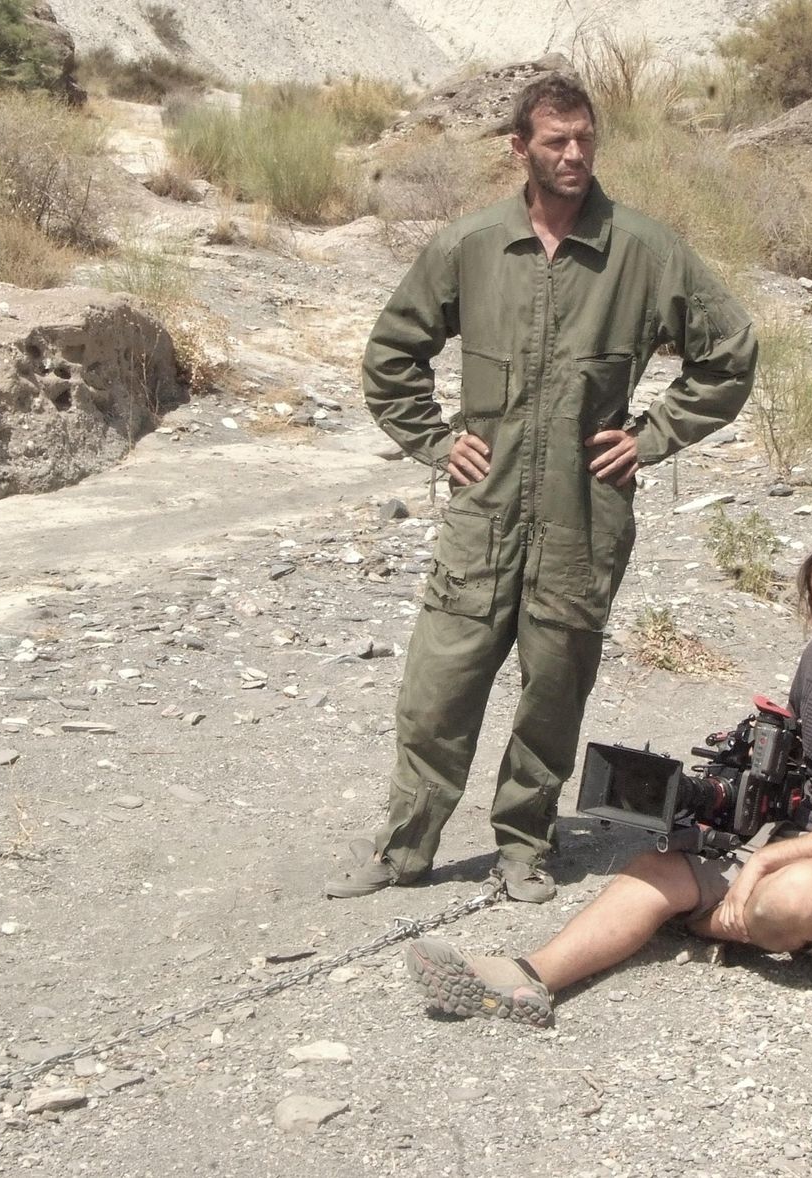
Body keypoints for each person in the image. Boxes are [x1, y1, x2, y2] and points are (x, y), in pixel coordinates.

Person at [324, 74, 758, 902]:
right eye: (556, 141)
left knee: (553, 694)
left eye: (585, 138)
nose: (574, 154)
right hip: (483, 514)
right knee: (437, 692)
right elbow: (392, 356)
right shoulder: (471, 245)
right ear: (519, 148)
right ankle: (405, 847)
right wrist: (435, 441)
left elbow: (729, 354)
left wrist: (651, 438)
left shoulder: (643, 251)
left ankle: (524, 845)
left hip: (582, 517)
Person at [401, 537, 812, 1025]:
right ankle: (527, 979)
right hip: (801, 843)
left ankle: (705, 923)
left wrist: (766, 861)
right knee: (655, 868)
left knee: (795, 896)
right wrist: (731, 796)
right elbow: (797, 765)